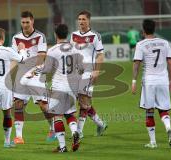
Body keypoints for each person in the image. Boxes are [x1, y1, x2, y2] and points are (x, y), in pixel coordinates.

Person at [132, 19, 171, 148]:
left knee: (149, 111)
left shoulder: (141, 44)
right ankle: (168, 127)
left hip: (149, 81)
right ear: (154, 28)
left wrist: (134, 81)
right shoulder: (164, 43)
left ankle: (153, 142)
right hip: (163, 80)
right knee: (163, 110)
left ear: (143, 30)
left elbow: (136, 64)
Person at [11, 11, 54, 144]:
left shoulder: (40, 36)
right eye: (23, 22)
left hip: (36, 75)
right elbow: (14, 58)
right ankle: (19, 136)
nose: (25, 25)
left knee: (43, 105)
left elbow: (41, 58)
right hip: (21, 75)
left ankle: (53, 128)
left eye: (27, 22)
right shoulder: (16, 38)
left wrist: (32, 73)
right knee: (17, 104)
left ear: (32, 21)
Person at [41, 24, 81, 152]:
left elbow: (46, 69)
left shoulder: (52, 50)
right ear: (67, 34)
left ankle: (63, 147)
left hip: (58, 86)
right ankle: (75, 132)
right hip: (72, 86)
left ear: (55, 34)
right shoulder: (74, 49)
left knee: (57, 116)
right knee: (70, 114)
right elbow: (81, 68)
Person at [70, 10, 107, 139]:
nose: (81, 22)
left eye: (84, 19)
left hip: (88, 72)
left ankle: (79, 131)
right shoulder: (73, 35)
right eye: (79, 19)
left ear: (89, 20)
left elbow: (100, 54)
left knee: (84, 101)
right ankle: (100, 123)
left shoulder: (95, 36)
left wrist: (97, 70)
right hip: (75, 73)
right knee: (82, 101)